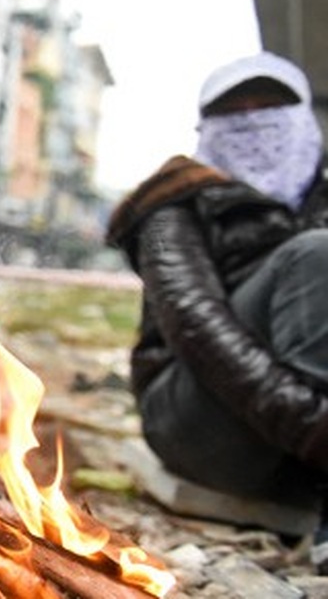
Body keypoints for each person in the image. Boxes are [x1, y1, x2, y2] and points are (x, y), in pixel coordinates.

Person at [106, 52, 328, 549]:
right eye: (234, 113)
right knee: (316, 255)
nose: (253, 123)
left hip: (291, 441)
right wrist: (318, 430)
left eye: (270, 108)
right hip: (195, 422)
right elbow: (200, 330)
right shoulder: (168, 211)